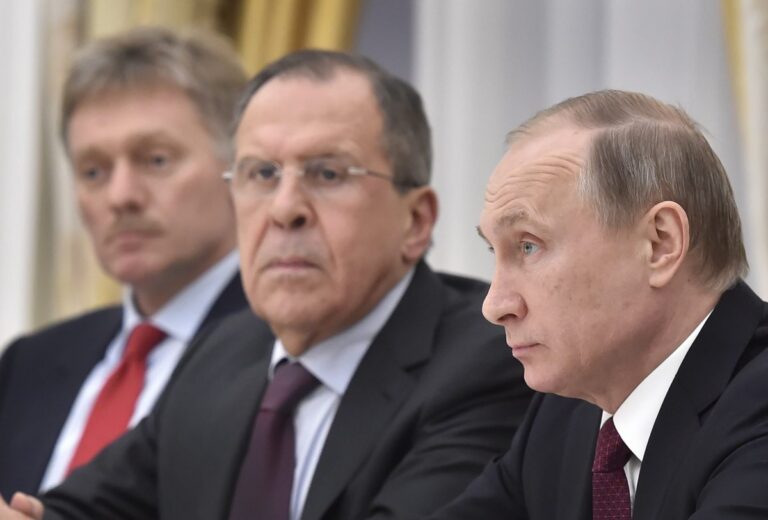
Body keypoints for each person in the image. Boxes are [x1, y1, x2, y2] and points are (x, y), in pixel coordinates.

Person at [0, 50, 532, 520]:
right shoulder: (223, 353)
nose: (284, 209)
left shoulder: (490, 364)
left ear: (415, 222)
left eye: (327, 173)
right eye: (261, 174)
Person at [427, 89, 768, 519]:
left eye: (529, 246)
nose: (494, 306)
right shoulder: (565, 415)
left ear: (660, 244)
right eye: (494, 252)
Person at [0, 27, 249, 500]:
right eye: (93, 171)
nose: (120, 196)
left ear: (239, 167)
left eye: (156, 160)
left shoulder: (286, 352)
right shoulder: (29, 364)